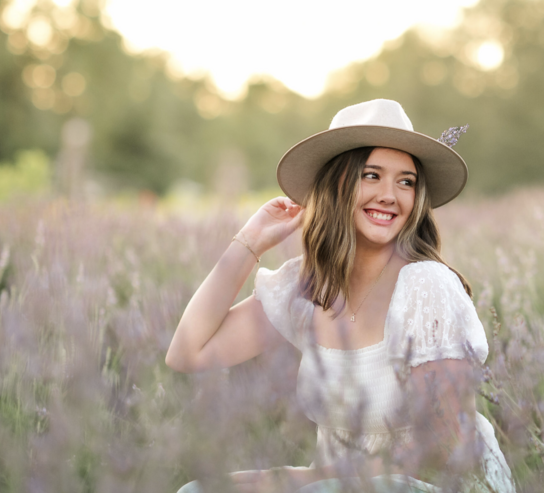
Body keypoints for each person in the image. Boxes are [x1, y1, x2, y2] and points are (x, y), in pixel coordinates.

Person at [166, 99, 514, 493]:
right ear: (336, 184)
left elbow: (446, 453)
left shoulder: (425, 287)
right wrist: (249, 242)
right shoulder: (306, 289)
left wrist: (302, 480)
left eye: (406, 181)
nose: (390, 195)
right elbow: (188, 353)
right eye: (372, 175)